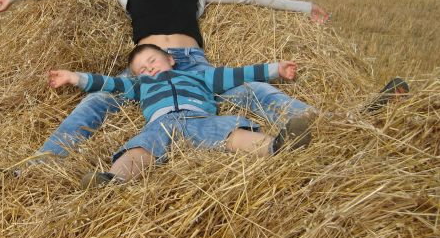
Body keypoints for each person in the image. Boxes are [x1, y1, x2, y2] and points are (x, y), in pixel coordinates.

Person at [0, 0, 327, 162]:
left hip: (193, 65)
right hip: (145, 68)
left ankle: (319, 124)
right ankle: (42, 163)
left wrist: (304, 7)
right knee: (95, 100)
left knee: (256, 88)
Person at [48, 44, 308, 188]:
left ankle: (278, 145)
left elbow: (237, 74)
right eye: (142, 69)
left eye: (153, 61)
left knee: (232, 134)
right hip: (160, 124)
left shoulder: (200, 76)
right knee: (139, 150)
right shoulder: (139, 86)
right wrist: (74, 77)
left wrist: (275, 69)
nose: (149, 68)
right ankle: (112, 181)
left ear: (171, 60)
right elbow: (108, 83)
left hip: (199, 118)